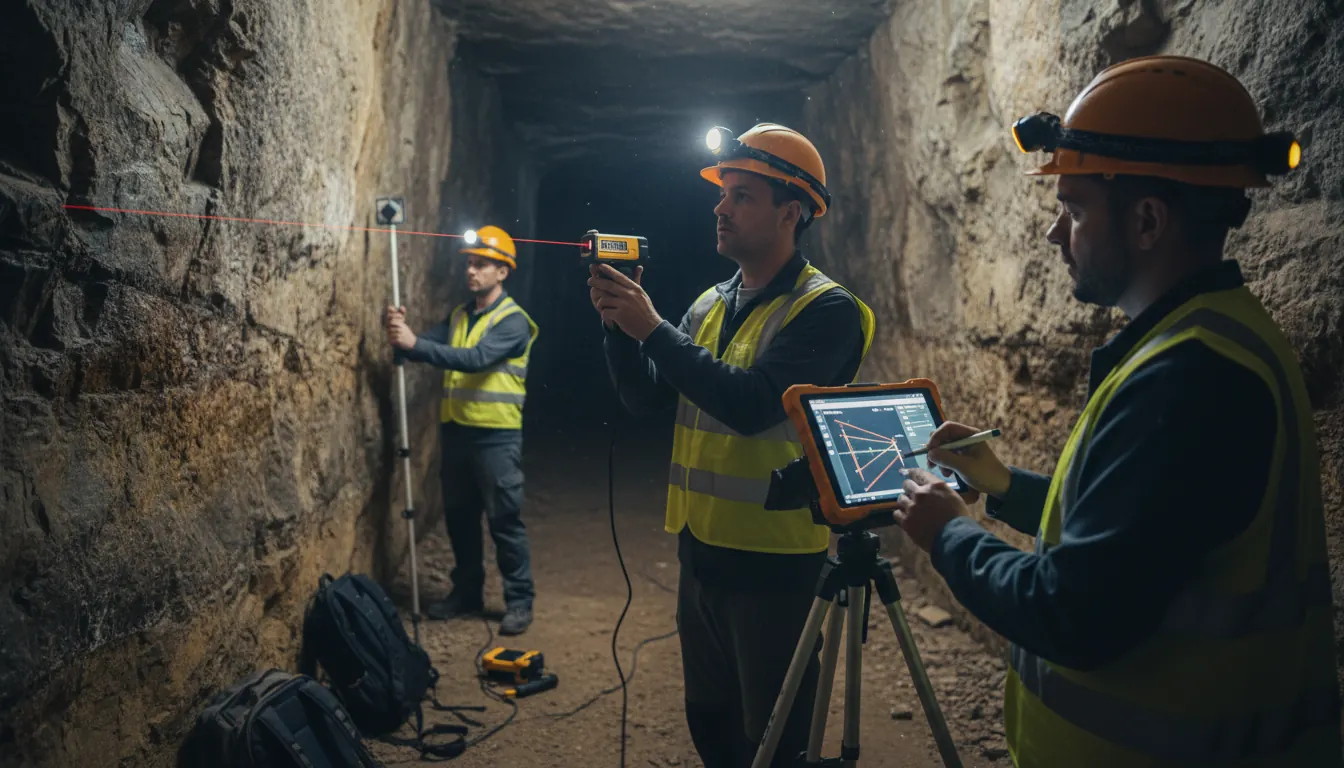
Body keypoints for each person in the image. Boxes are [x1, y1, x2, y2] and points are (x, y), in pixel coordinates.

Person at [893, 55, 1341, 767]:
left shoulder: (1190, 380)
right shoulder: (1207, 340)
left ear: (1147, 221)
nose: (1052, 235)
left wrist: (949, 536)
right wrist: (1006, 486)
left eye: (1072, 210)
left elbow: (1073, 613)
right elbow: (1136, 537)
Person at [589, 123, 876, 766]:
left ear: (791, 212)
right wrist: (619, 328)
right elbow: (650, 399)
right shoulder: (710, 305)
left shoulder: (828, 312)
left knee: (776, 732)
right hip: (702, 553)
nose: (720, 207)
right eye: (723, 194)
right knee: (710, 720)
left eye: (742, 195)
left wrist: (653, 329)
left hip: (775, 564)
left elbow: (752, 406)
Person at [385, 225, 539, 636]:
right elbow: (423, 346)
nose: (472, 271)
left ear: (503, 271)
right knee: (460, 518)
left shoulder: (514, 323)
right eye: (470, 263)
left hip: (496, 438)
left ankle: (519, 600)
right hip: (456, 435)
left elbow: (473, 359)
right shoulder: (458, 316)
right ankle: (467, 592)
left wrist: (414, 342)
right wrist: (401, 334)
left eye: (482, 264)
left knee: (504, 521)